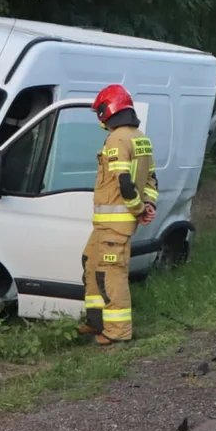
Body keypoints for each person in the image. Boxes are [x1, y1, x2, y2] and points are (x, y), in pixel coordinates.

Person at [79, 84, 159, 346]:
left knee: (111, 275)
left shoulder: (117, 139)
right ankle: (96, 321)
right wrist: (148, 205)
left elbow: (124, 182)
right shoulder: (141, 137)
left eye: (99, 112)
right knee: (91, 263)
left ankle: (117, 332)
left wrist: (137, 209)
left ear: (109, 109)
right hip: (106, 226)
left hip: (115, 226)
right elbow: (151, 180)